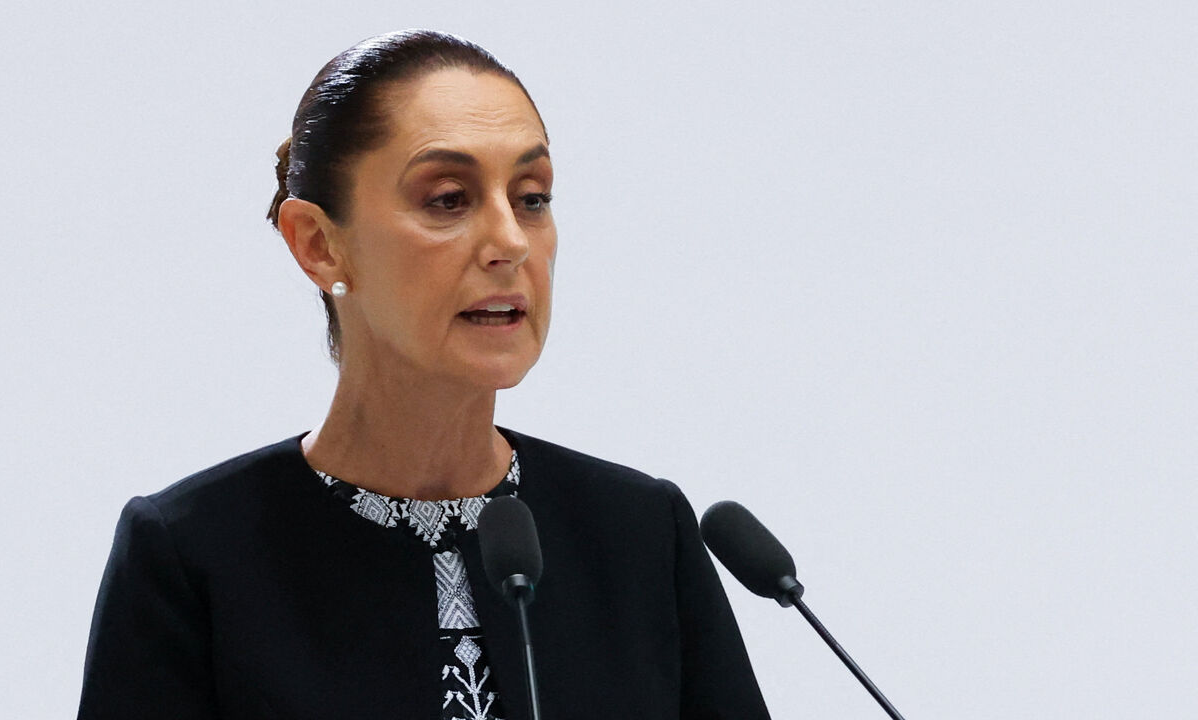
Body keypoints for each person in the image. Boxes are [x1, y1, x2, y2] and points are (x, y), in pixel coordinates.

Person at [78, 29, 770, 720]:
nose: (509, 242)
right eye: (448, 199)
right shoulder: (193, 559)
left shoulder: (641, 536)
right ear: (318, 244)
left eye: (532, 197)